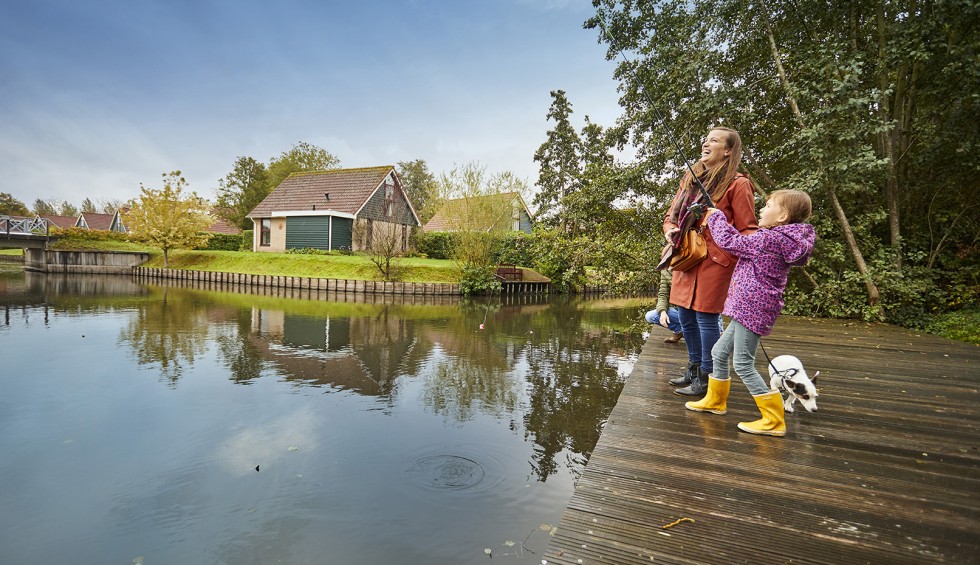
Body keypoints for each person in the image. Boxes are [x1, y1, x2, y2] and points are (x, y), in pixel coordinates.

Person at [685, 189, 815, 437]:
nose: (762, 209)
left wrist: (714, 217)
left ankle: (774, 419)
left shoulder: (769, 240)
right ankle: (715, 401)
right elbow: (740, 242)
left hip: (752, 308)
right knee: (719, 352)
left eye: (768, 205)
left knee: (743, 363)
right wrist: (719, 215)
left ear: (782, 215)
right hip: (749, 307)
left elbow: (730, 242)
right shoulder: (777, 238)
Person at [663, 127, 758, 396]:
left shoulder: (739, 184)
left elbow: (748, 229)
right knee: (684, 315)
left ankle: (708, 376)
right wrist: (670, 229)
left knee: (705, 316)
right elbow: (671, 217)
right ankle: (693, 369)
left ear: (728, 151)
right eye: (706, 139)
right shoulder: (690, 179)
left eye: (714, 141)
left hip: (716, 261)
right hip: (686, 255)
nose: (706, 143)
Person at [644, 270, 683, 343]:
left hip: (696, 311)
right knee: (650, 316)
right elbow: (663, 295)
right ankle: (680, 330)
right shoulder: (666, 271)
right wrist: (662, 312)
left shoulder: (689, 262)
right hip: (680, 309)